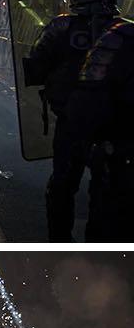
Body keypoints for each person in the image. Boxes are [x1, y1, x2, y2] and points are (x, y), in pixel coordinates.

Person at [24, 0, 120, 241]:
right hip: (115, 127)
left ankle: (60, 242)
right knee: (106, 189)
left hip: (72, 122)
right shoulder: (126, 30)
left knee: (62, 186)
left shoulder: (61, 27)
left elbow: (34, 67)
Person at [66, 14, 134, 241]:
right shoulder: (119, 36)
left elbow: (87, 96)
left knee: (107, 215)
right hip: (117, 143)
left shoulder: (117, 38)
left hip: (117, 147)